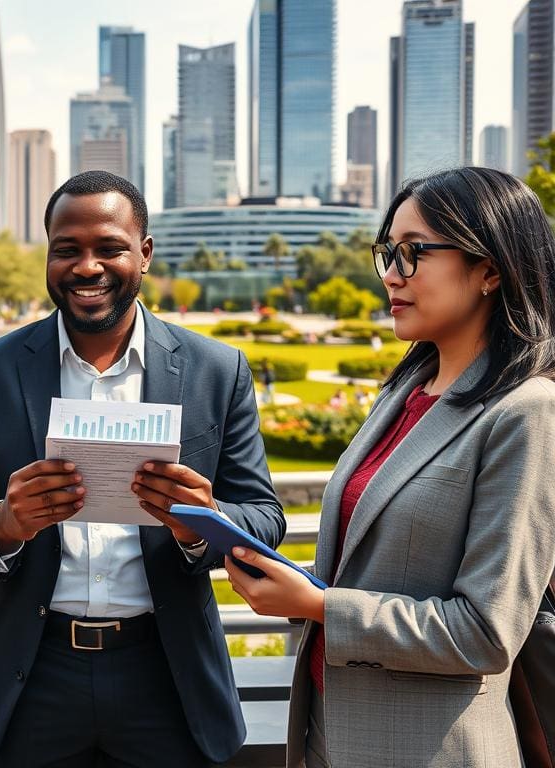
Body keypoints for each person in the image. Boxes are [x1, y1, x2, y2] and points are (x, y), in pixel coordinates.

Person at [0, 171, 284, 767]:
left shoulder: (216, 371)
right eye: (67, 249)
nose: (86, 267)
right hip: (31, 675)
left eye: (109, 248)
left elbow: (265, 520)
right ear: (48, 255)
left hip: (166, 675)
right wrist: (6, 524)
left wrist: (203, 522)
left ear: (143, 254)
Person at [224, 167, 555, 767]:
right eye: (387, 253)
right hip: (331, 736)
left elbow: (485, 632)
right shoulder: (402, 395)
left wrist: (318, 606)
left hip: (432, 749)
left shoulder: (527, 411)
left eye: (413, 254)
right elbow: (374, 560)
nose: (391, 275)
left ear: (490, 269)